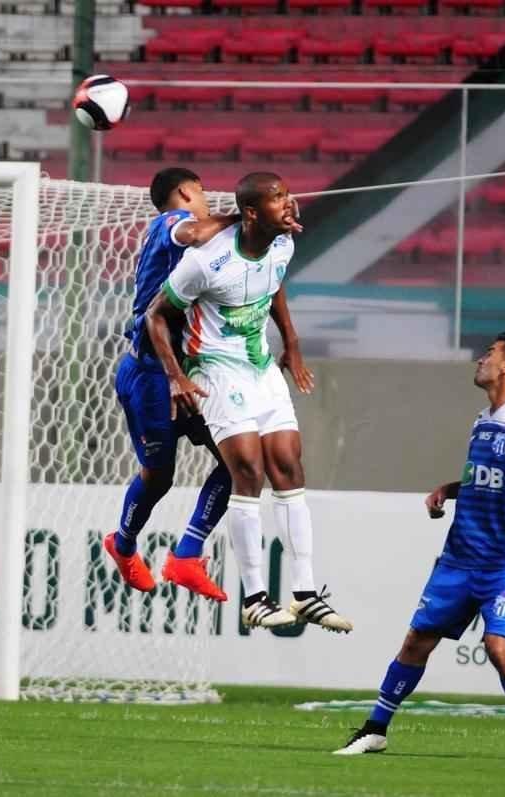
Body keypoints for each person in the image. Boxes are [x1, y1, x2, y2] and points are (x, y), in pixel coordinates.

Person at [333, 331, 505, 762]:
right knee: (416, 641)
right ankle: (375, 729)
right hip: (459, 558)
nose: (480, 359)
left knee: (498, 648)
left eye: (490, 353)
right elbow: (487, 479)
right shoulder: (483, 419)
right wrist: (450, 490)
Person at [144, 171, 352, 633]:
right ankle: (255, 598)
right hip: (215, 368)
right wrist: (176, 376)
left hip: (259, 366)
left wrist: (291, 343)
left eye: (288, 193)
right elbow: (157, 315)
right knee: (249, 469)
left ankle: (305, 593)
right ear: (252, 212)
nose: (289, 203)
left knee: (288, 464)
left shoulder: (283, 244)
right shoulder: (206, 261)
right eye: (278, 197)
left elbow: (272, 283)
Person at [106, 168, 298, 603]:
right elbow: (193, 233)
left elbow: (260, 276)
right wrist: (245, 217)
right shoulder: (172, 223)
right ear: (184, 191)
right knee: (159, 477)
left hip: (192, 373)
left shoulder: (215, 246)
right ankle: (123, 543)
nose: (208, 200)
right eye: (203, 192)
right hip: (152, 376)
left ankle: (187, 554)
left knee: (241, 462)